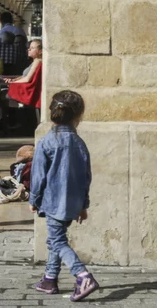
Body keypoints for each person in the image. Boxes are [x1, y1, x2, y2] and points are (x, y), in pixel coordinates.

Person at [29, 90, 98, 301]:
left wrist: (33, 198)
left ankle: (82, 275)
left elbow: (38, 175)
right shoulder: (80, 144)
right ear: (78, 116)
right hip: (73, 201)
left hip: (53, 200)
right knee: (55, 239)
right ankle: (49, 279)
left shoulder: (46, 142)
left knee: (58, 241)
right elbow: (87, 177)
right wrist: (83, 204)